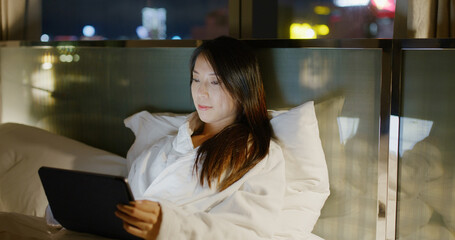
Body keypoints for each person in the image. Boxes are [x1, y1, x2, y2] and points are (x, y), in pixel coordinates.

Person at [115, 36, 286, 240]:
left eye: (215, 82)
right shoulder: (163, 146)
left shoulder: (258, 155)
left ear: (242, 88)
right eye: (196, 79)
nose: (201, 92)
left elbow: (249, 232)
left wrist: (167, 226)